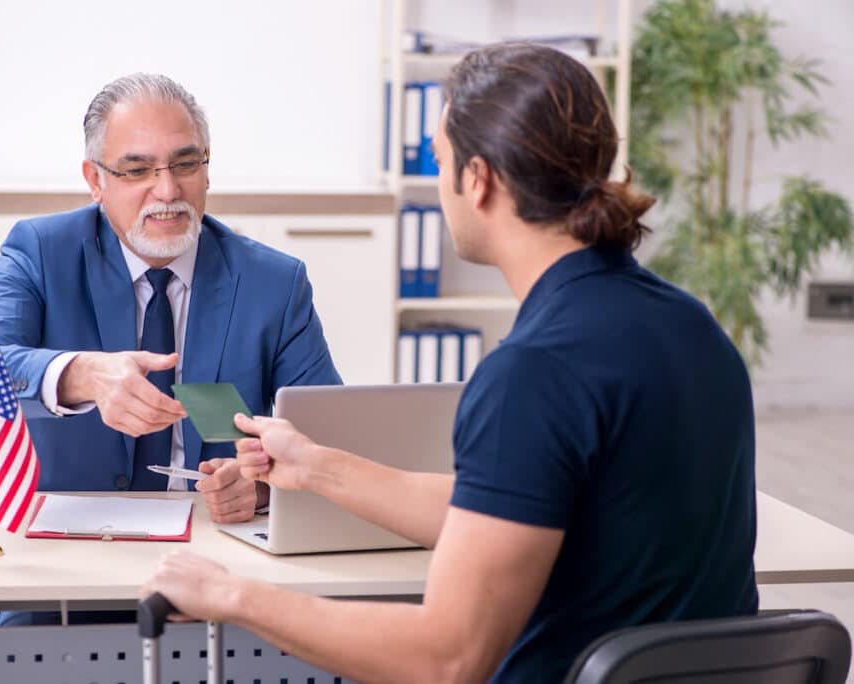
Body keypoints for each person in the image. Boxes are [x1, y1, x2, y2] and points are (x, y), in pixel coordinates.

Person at [143, 43, 758, 682]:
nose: (439, 184)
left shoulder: (535, 374)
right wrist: (318, 466)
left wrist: (234, 596)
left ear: (478, 178)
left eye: (439, 159)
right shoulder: (693, 327)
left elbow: (447, 658)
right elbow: (502, 509)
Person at [0, 73, 341, 527]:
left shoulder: (274, 282)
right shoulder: (40, 250)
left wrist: (264, 486)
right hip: (65, 539)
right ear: (95, 180)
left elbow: (326, 439)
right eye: (137, 171)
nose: (168, 191)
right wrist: (83, 374)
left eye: (186, 164)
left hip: (213, 549)